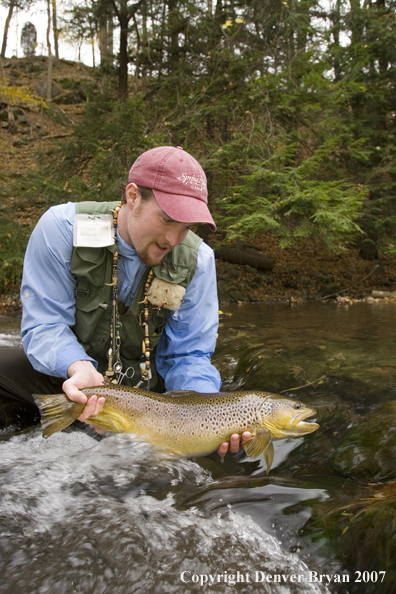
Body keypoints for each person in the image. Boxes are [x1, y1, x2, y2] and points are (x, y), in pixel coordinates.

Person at [0, 146, 251, 455]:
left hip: (150, 401)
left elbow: (188, 356)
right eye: (168, 219)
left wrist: (204, 413)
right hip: (71, 382)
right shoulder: (61, 230)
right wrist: (76, 367)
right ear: (133, 197)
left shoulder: (198, 260)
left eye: (188, 227)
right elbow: (45, 325)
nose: (174, 239)